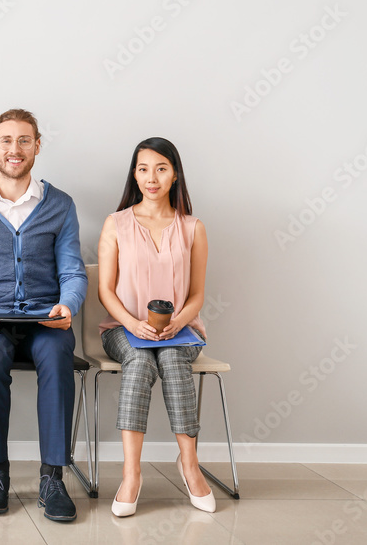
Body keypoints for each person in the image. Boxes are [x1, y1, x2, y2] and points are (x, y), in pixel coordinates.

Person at [0, 108, 87, 523]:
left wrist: (68, 305)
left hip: (45, 321)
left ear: (38, 146)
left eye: (24, 140)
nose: (15, 149)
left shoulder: (60, 206)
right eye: (6, 140)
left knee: (59, 355)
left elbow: (73, 271)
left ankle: (52, 477)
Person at [96, 137, 215, 516]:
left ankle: (189, 464)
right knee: (141, 362)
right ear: (135, 174)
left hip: (182, 330)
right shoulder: (116, 224)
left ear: (175, 175)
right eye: (144, 168)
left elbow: (197, 295)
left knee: (172, 360)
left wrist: (179, 320)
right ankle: (132, 474)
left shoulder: (193, 228)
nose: (152, 177)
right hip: (122, 327)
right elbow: (105, 290)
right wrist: (134, 323)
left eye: (161, 168)